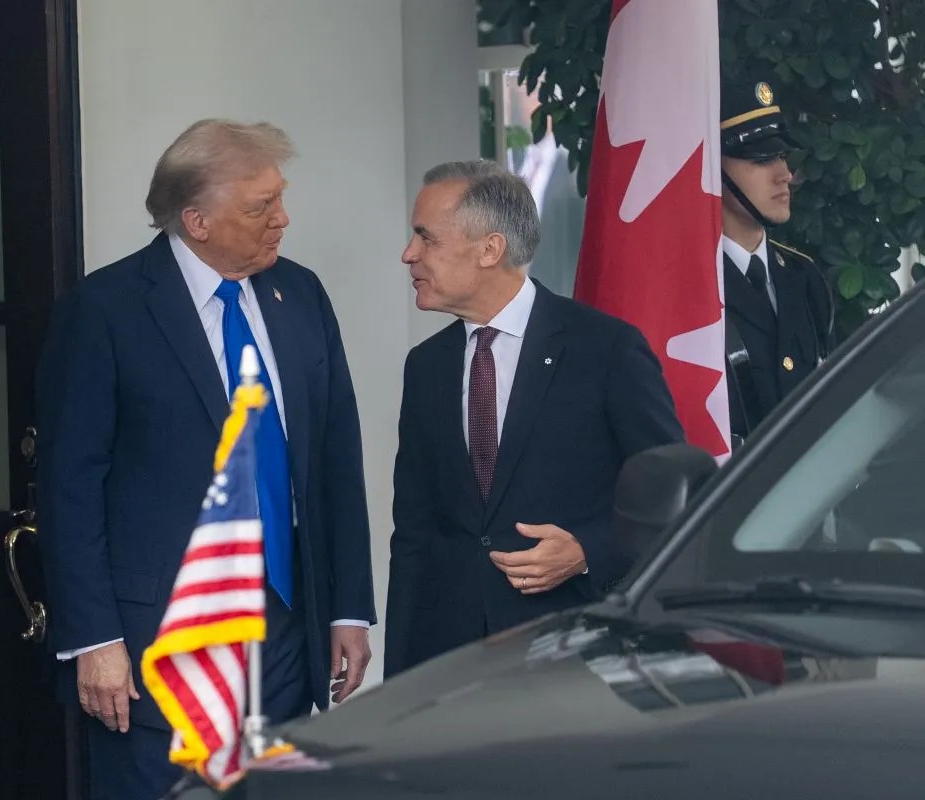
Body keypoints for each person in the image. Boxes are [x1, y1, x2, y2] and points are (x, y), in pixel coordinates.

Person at [35, 119, 376, 800]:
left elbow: (336, 458)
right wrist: (94, 638)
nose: (282, 218)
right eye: (260, 206)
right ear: (197, 220)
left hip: (285, 627)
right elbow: (70, 486)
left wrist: (349, 609)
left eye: (280, 198)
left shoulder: (301, 294)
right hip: (160, 641)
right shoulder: (105, 310)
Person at [384, 160, 683, 679]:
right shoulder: (426, 366)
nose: (409, 254)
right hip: (449, 663)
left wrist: (586, 552)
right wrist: (400, 681)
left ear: (490, 249)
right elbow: (413, 532)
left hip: (573, 654)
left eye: (426, 238)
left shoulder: (605, 349)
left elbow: (673, 498)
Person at [720, 77, 834, 443]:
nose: (784, 175)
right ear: (712, 169)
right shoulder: (688, 285)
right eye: (762, 159)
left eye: (782, 156)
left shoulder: (805, 276)